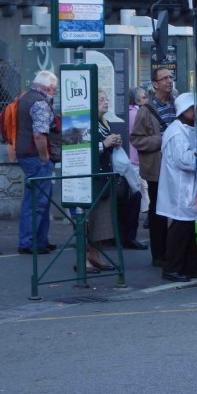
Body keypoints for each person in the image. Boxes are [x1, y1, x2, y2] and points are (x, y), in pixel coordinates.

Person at [130, 67, 177, 266]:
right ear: (155, 84)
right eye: (164, 78)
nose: (169, 81)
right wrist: (160, 140)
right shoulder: (146, 110)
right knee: (158, 212)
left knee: (178, 210)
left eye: (171, 77)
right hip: (157, 168)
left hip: (177, 166)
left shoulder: (177, 104)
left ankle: (175, 252)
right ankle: (159, 255)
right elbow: (136, 139)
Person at [156, 93, 197, 283]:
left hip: (187, 186)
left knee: (190, 229)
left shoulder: (186, 128)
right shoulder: (176, 133)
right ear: (183, 111)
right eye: (191, 108)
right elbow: (183, 160)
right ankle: (172, 268)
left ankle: (190, 266)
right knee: (180, 230)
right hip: (180, 187)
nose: (194, 112)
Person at [16, 70, 60, 255]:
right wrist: (44, 157)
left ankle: (40, 241)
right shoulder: (40, 103)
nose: (54, 91)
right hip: (35, 156)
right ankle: (29, 243)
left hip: (26, 153)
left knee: (39, 200)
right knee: (37, 201)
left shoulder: (26, 97)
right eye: (54, 89)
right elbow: (39, 135)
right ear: (49, 87)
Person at [82, 90, 120, 272]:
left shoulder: (104, 123)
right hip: (90, 177)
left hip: (104, 175)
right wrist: (104, 144)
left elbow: (105, 147)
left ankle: (95, 255)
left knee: (101, 221)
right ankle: (84, 259)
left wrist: (114, 142)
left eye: (106, 99)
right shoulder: (85, 122)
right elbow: (82, 148)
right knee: (88, 220)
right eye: (101, 100)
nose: (106, 102)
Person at [119, 87, 148, 250]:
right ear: (136, 100)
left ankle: (124, 234)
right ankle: (130, 236)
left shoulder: (124, 114)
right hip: (135, 160)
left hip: (124, 159)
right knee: (135, 196)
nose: (146, 99)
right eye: (144, 97)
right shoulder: (137, 114)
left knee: (128, 198)